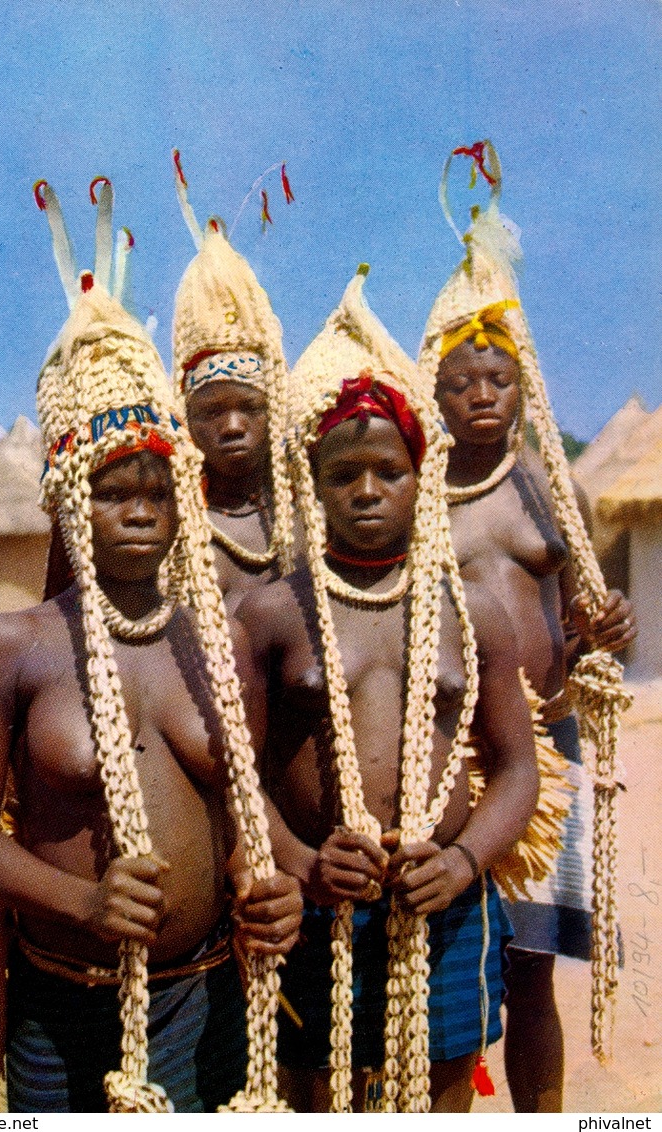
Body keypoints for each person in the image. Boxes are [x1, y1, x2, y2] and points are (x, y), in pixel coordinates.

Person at [0, 180, 301, 1114]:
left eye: (156, 489)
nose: (139, 510)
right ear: (68, 498)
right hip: (62, 1006)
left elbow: (242, 806)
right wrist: (81, 906)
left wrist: (271, 887)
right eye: (110, 489)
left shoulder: (218, 643)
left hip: (207, 998)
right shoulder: (12, 647)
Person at [233, 266, 539, 1113]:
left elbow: (515, 768)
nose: (366, 492)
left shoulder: (468, 608)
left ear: (419, 476)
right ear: (313, 483)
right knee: (314, 1094)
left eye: (387, 471)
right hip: (314, 910)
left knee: (444, 1092)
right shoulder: (270, 614)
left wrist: (463, 858)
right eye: (343, 475)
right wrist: (298, 862)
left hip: (444, 905)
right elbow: (238, 772)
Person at [418, 142, 636, 1112]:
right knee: (459, 974)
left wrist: (602, 631)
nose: (480, 395)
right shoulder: (420, 500)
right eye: (462, 382)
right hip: (456, 751)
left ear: (522, 389)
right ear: (434, 390)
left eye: (498, 381)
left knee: (535, 962)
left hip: (545, 746)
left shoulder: (552, 493)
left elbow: (583, 619)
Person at [171, 155, 295, 611]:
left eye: (249, 407)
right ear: (184, 414)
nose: (233, 426)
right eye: (211, 412)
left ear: (275, 405)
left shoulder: (307, 520)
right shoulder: (170, 532)